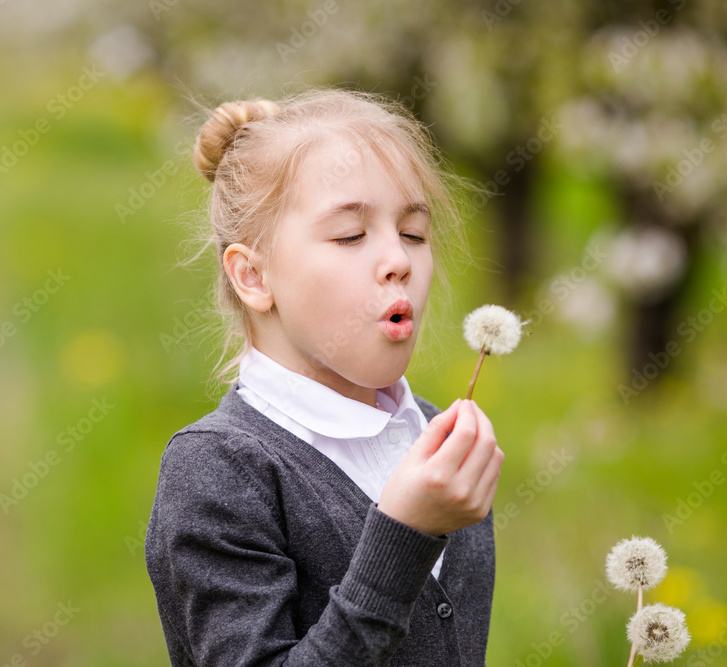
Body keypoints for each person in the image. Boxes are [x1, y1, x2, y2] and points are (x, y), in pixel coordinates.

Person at [144, 88, 504, 666]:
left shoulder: (436, 440)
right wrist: (404, 535)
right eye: (350, 236)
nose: (399, 260)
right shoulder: (221, 469)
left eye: (413, 232)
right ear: (254, 277)